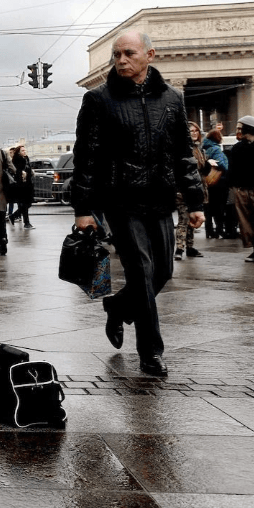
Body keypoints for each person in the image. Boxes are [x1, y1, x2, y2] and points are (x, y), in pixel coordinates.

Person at [71, 31, 204, 377]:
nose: (121, 60)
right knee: (142, 273)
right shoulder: (99, 100)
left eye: (129, 53)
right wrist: (83, 209)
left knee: (163, 271)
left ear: (150, 55)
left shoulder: (172, 98)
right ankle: (151, 353)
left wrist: (195, 202)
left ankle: (117, 306)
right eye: (116, 55)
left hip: (159, 200)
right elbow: (85, 157)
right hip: (120, 201)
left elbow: (182, 154)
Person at [174, 121, 207, 260]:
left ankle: (190, 246)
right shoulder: (183, 149)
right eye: (191, 131)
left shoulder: (199, 149)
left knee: (192, 218)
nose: (194, 133)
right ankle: (179, 249)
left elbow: (202, 170)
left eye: (196, 131)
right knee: (183, 218)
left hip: (196, 189)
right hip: (183, 189)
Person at [226, 115, 254, 262]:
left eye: (240, 128)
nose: (237, 130)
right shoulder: (237, 148)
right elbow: (231, 170)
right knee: (245, 222)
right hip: (241, 189)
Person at [9, 145, 35, 229]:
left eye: (25, 150)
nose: (24, 152)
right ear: (19, 152)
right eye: (22, 150)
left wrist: (30, 172)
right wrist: (22, 173)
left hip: (28, 184)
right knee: (24, 204)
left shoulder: (26, 159)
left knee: (28, 203)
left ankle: (14, 216)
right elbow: (16, 171)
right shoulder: (17, 160)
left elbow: (28, 170)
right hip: (21, 185)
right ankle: (26, 223)